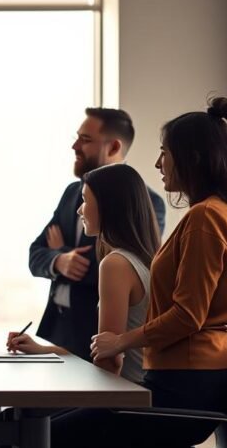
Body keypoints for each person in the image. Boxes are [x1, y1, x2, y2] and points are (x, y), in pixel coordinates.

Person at [55, 97, 227, 448]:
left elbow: (188, 315)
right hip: (187, 387)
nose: (158, 165)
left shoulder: (206, 218)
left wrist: (122, 340)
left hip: (181, 397)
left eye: (164, 153)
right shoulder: (223, 214)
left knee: (38, 438)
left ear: (194, 158)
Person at [28, 108, 166, 361]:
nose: (74, 146)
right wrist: (59, 260)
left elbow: (115, 265)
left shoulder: (146, 202)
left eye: (85, 139)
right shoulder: (72, 193)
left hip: (97, 342)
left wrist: (60, 250)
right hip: (60, 334)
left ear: (113, 147)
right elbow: (35, 253)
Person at [8, 163, 160, 383]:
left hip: (126, 398)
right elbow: (101, 355)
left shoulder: (115, 265)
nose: (80, 209)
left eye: (86, 200)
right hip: (134, 390)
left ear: (108, 206)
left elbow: (108, 363)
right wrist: (41, 349)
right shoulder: (140, 259)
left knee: (18, 416)